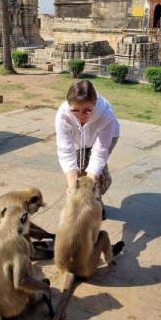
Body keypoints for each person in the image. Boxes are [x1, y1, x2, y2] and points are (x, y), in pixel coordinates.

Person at [55, 79, 120, 220]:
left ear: (95, 104)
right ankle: (92, 202)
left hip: (107, 136)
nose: (80, 116)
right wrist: (73, 188)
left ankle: (96, 203)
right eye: (75, 110)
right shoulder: (63, 115)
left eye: (87, 111)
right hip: (82, 139)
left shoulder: (106, 114)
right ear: (68, 105)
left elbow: (99, 153)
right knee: (79, 167)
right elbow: (66, 152)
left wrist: (88, 189)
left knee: (98, 174)